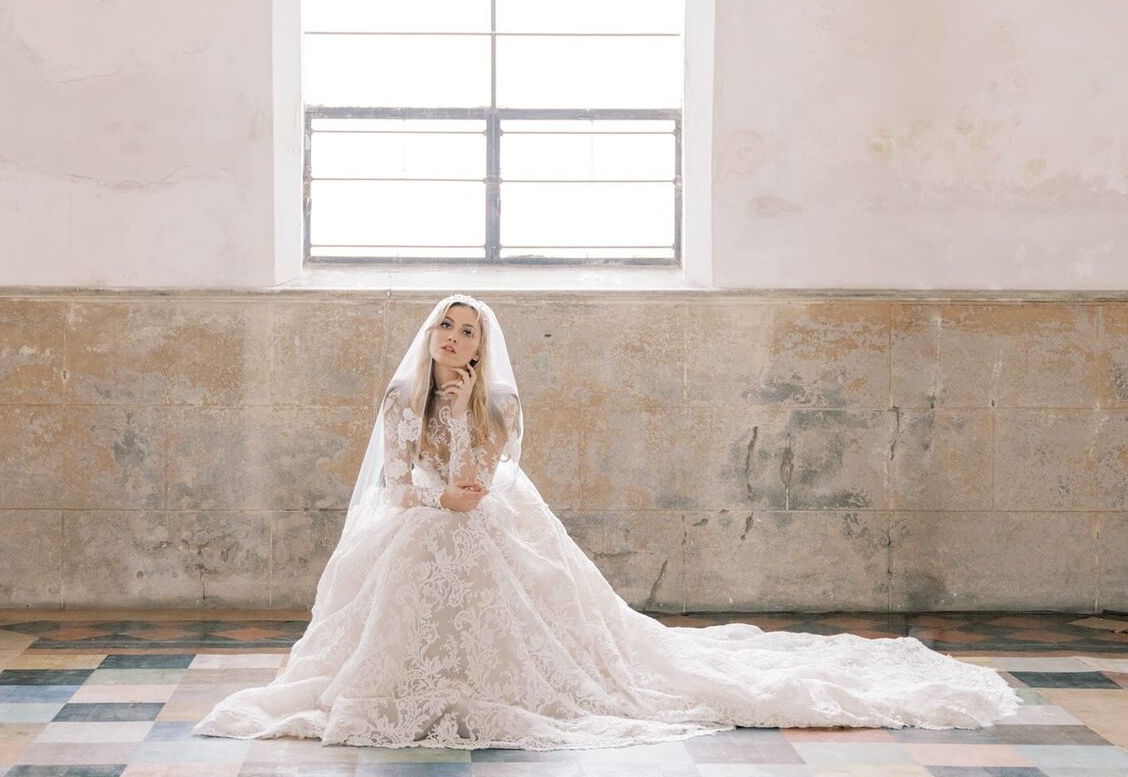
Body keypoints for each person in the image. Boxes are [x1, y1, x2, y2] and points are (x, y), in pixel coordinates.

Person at [193, 293, 1019, 751]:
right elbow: (399, 477)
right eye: (443, 325)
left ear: (482, 348)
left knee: (465, 543)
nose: (451, 337)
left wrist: (452, 486)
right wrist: (432, 496)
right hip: (423, 514)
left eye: (467, 329)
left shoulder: (500, 403)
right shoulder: (402, 395)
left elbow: (480, 486)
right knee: (414, 544)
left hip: (480, 516)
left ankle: (503, 679)